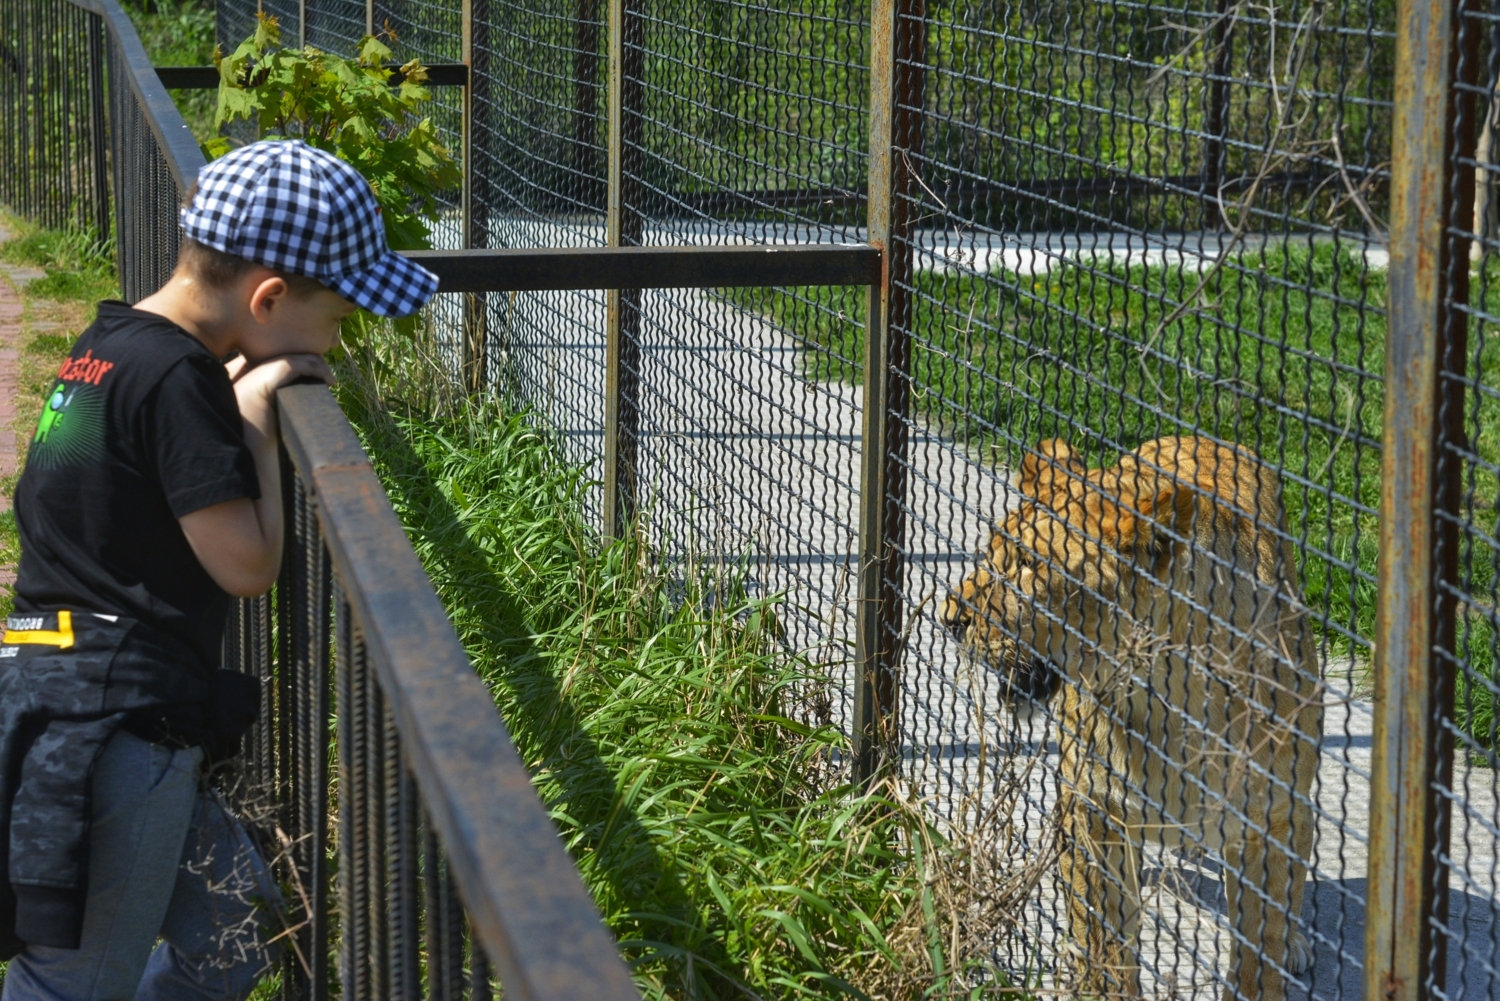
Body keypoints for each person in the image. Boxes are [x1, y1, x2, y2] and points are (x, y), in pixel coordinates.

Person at [0, 140, 437, 1000]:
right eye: (340, 319)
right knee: (73, 981)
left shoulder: (108, 344)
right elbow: (246, 563)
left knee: (240, 933)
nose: (337, 344)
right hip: (117, 738)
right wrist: (254, 419)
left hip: (46, 687)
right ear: (268, 297)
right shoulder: (182, 384)